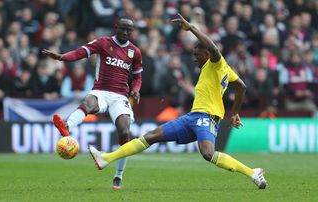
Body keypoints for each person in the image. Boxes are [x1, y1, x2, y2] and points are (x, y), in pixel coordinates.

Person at [89, 14, 268, 189]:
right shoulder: (225, 70)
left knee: (207, 153)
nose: (194, 58)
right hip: (192, 117)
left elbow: (214, 50)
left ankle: (252, 173)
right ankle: (106, 159)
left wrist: (191, 28)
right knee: (150, 136)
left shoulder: (216, 63)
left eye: (197, 54)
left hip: (207, 117)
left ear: (206, 54)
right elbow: (241, 87)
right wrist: (235, 112)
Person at [42, 16, 143, 190]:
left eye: (129, 30)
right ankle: (67, 126)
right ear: (116, 27)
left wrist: (136, 89)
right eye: (123, 28)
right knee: (88, 102)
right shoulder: (103, 43)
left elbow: (138, 76)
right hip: (101, 91)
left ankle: (118, 176)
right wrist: (62, 58)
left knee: (125, 133)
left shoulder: (135, 52)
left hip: (120, 96)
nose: (126, 32)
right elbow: (81, 52)